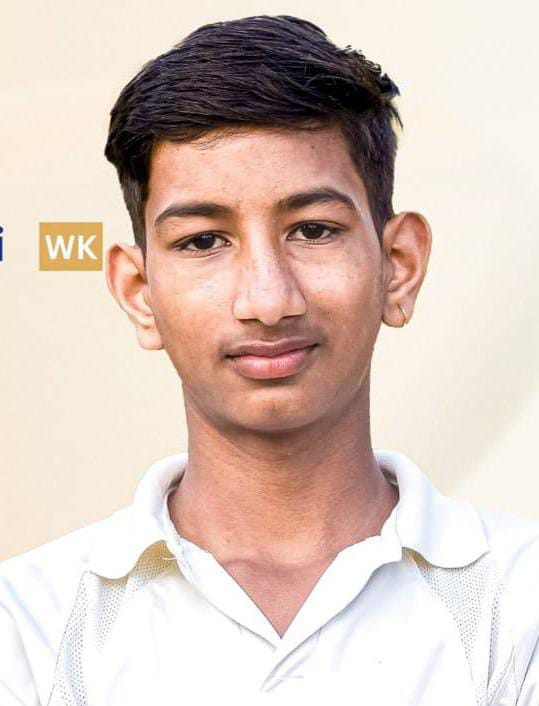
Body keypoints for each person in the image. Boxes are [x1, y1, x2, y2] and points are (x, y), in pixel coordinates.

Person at [1, 14, 538, 705]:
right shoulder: (26, 627)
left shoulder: (522, 602)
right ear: (139, 292)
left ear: (398, 266)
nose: (267, 300)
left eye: (313, 230)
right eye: (203, 241)